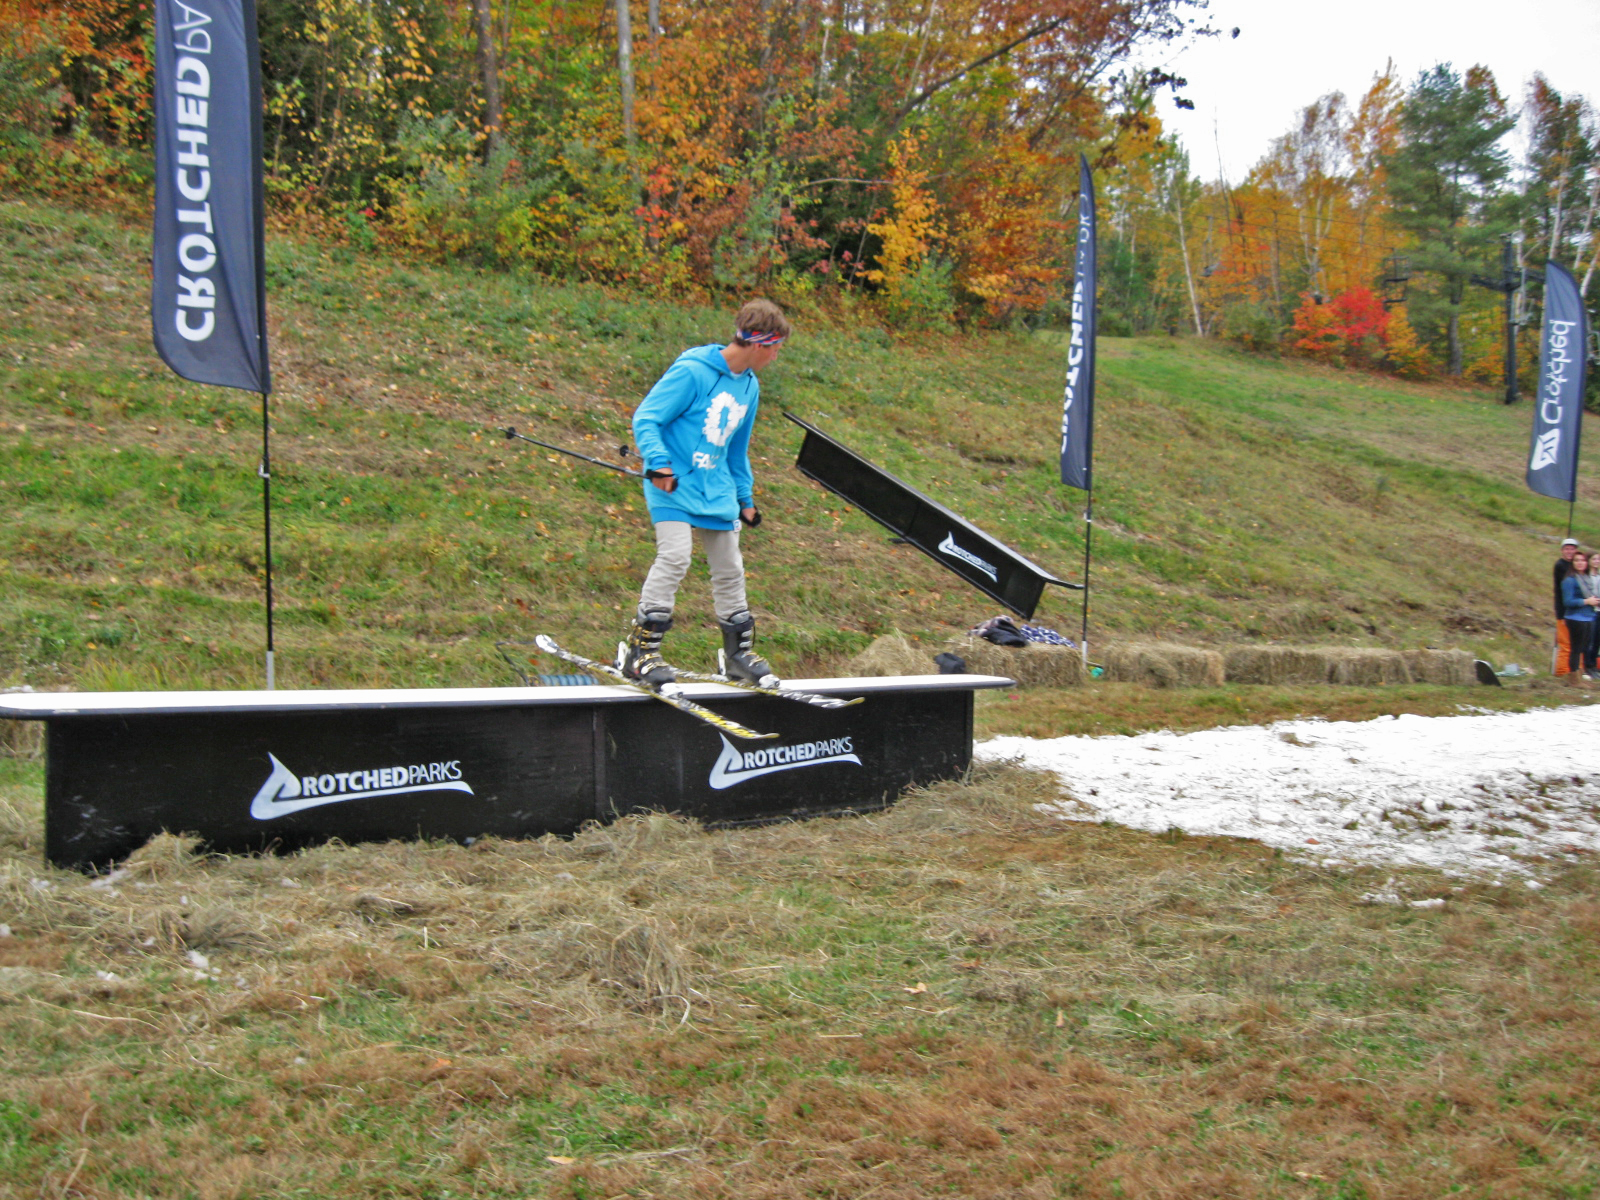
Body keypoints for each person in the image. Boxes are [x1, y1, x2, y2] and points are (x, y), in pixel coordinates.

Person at [618, 299, 790, 689]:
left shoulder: (749, 385)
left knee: (730, 568)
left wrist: (745, 499)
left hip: (717, 490)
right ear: (760, 344)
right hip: (674, 484)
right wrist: (658, 463)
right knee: (675, 556)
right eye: (777, 347)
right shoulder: (694, 371)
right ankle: (640, 652)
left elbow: (736, 448)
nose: (778, 356)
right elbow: (647, 416)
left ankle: (738, 656)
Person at [1559, 550, 1599, 682]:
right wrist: (1586, 601)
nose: (1580, 563)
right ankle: (1574, 679)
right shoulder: (1569, 580)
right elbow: (1568, 601)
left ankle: (1580, 674)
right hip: (1576, 618)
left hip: (1589, 616)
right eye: (1577, 560)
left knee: (1585, 647)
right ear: (1573, 563)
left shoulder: (1587, 579)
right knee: (1576, 649)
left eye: (1583, 560)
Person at [1553, 537, 1580, 676]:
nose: (1570, 552)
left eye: (1572, 549)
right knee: (1565, 644)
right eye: (1567, 549)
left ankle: (1577, 671)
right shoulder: (1561, 566)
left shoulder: (1576, 565)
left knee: (1577, 643)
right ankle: (1562, 671)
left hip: (1577, 611)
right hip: (1564, 610)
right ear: (1562, 551)